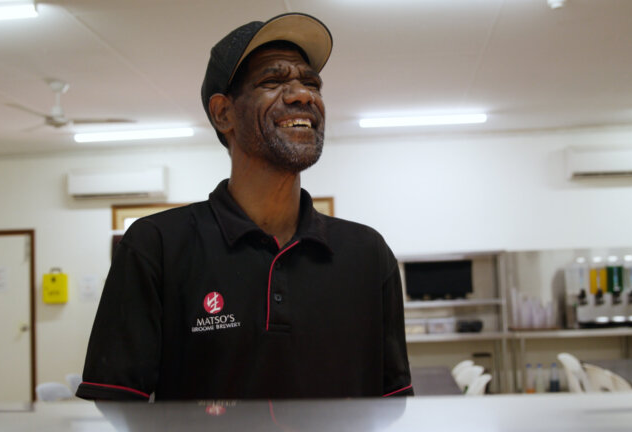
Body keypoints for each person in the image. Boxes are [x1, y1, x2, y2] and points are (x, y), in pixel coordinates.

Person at [76, 12, 412, 401]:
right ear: (223, 113)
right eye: (272, 81)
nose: (303, 94)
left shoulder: (368, 253)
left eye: (311, 82)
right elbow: (116, 406)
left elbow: (394, 403)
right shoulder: (156, 245)